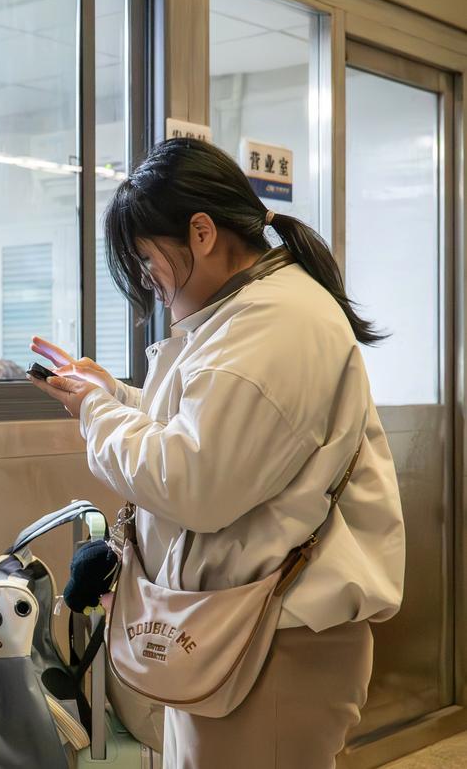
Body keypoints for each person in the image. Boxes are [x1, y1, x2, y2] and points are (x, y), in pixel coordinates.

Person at [28, 138, 405, 768]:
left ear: (201, 233)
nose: (149, 280)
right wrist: (114, 395)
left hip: (275, 641)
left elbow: (193, 480)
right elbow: (212, 432)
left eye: (148, 259)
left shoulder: (273, 323)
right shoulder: (253, 313)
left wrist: (97, 412)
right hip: (243, 628)